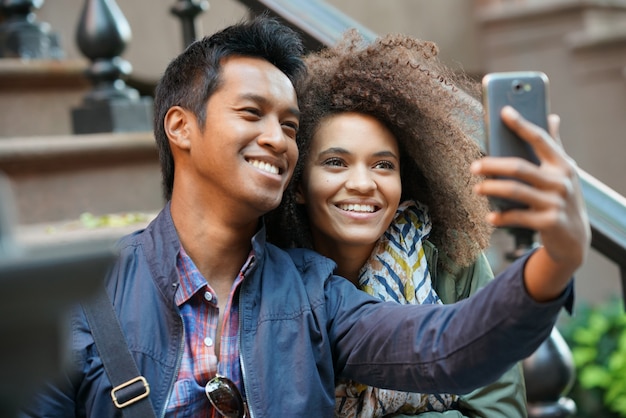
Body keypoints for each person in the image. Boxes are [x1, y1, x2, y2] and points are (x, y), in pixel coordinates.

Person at [20, 15, 587, 418]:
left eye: (291, 126)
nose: (277, 139)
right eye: (252, 113)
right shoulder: (84, 298)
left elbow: (443, 347)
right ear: (180, 127)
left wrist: (557, 259)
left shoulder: (313, 292)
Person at [265, 31, 528, 417]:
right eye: (336, 162)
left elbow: (499, 411)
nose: (362, 183)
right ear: (299, 184)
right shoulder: (270, 273)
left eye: (383, 165)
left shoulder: (453, 260)